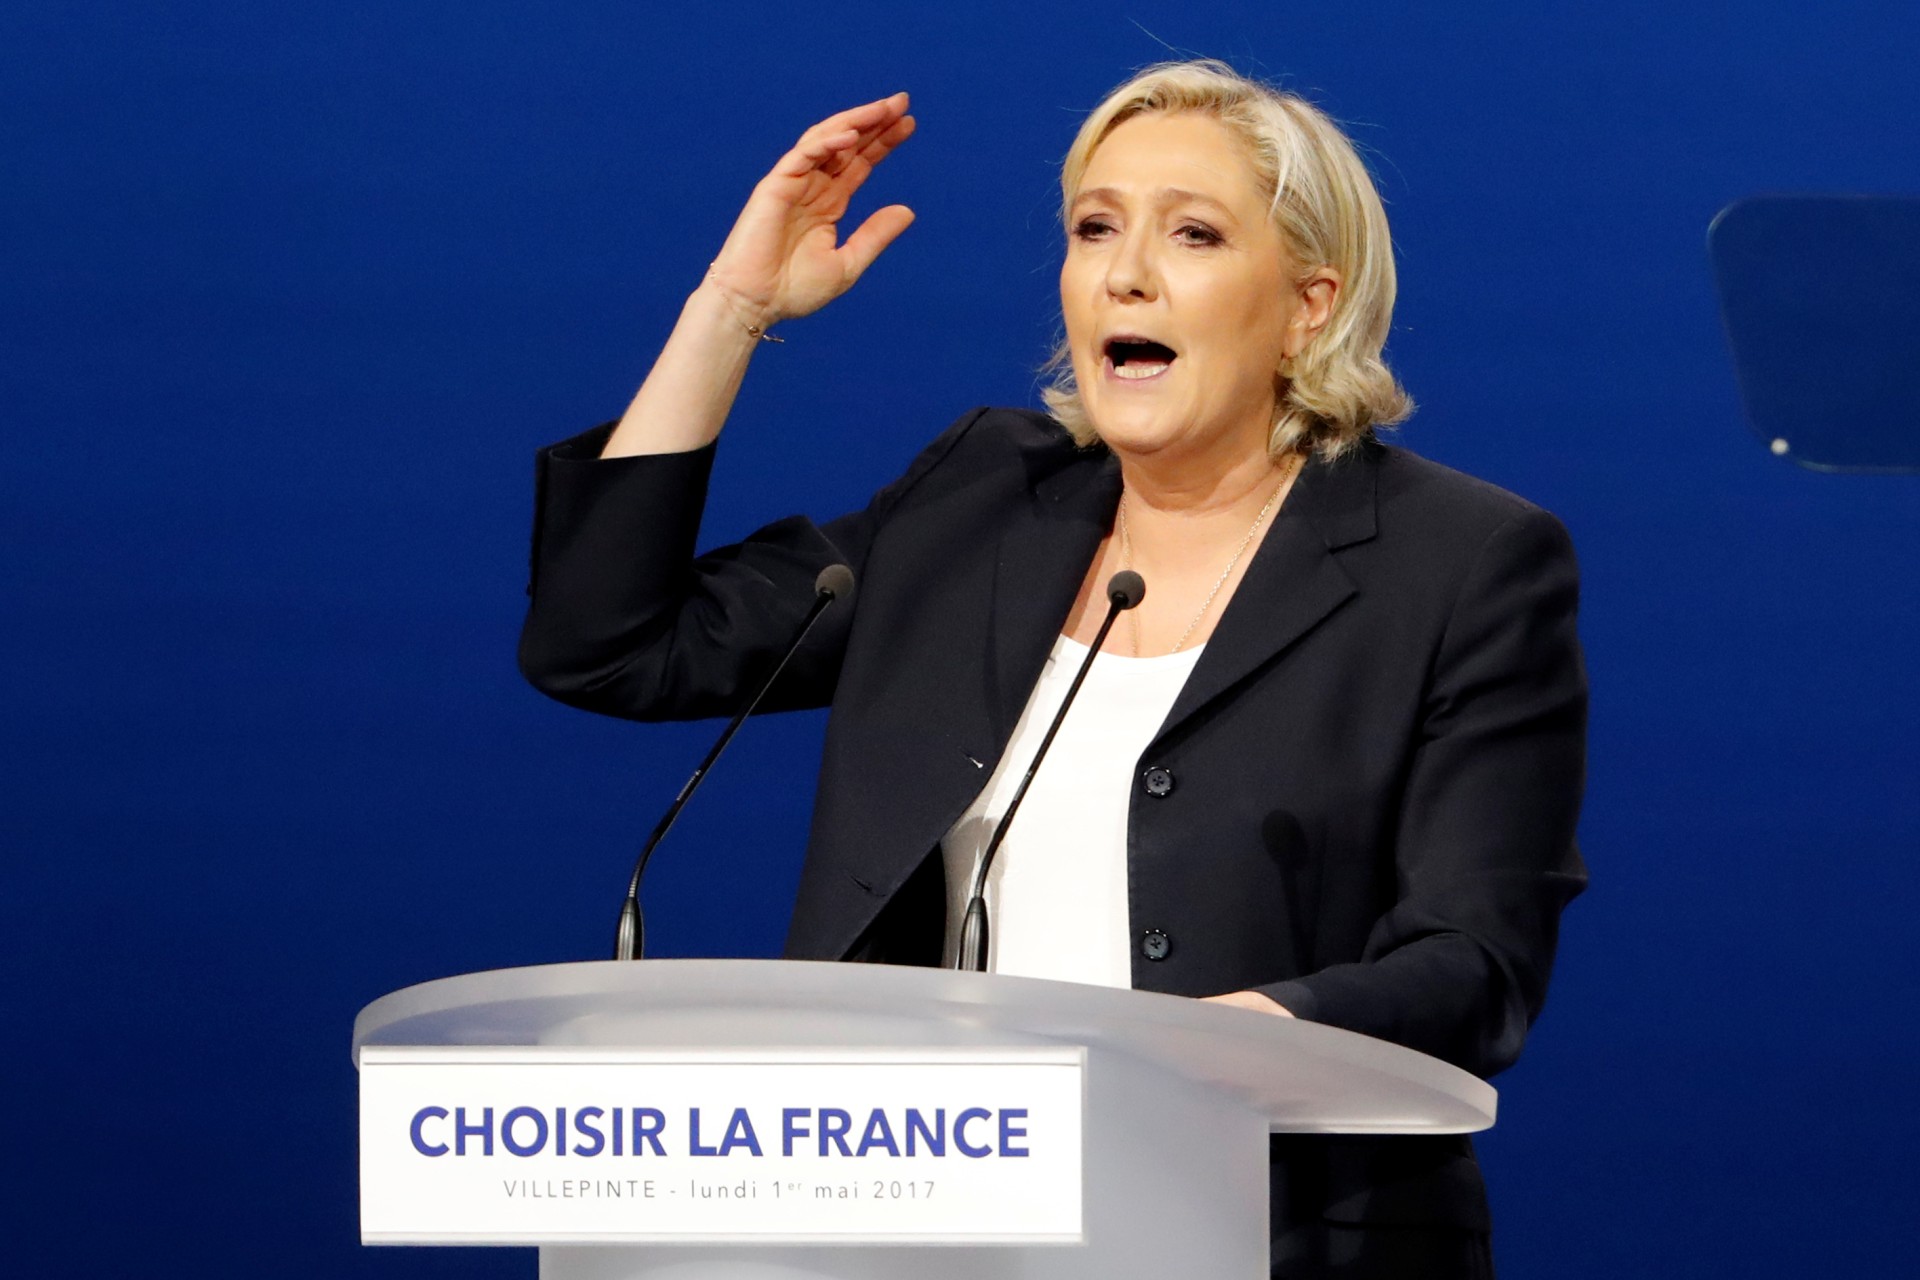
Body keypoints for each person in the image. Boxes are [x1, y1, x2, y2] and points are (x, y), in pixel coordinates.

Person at [519, 60, 1586, 1280]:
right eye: (1094, 228)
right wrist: (732, 307)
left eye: (1192, 233)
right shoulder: (979, 504)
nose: (1126, 273)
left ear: (1309, 304)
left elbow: (1475, 963)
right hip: (918, 1244)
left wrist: (1221, 1045)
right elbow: (608, 643)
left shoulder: (1459, 563)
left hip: (1271, 1233)